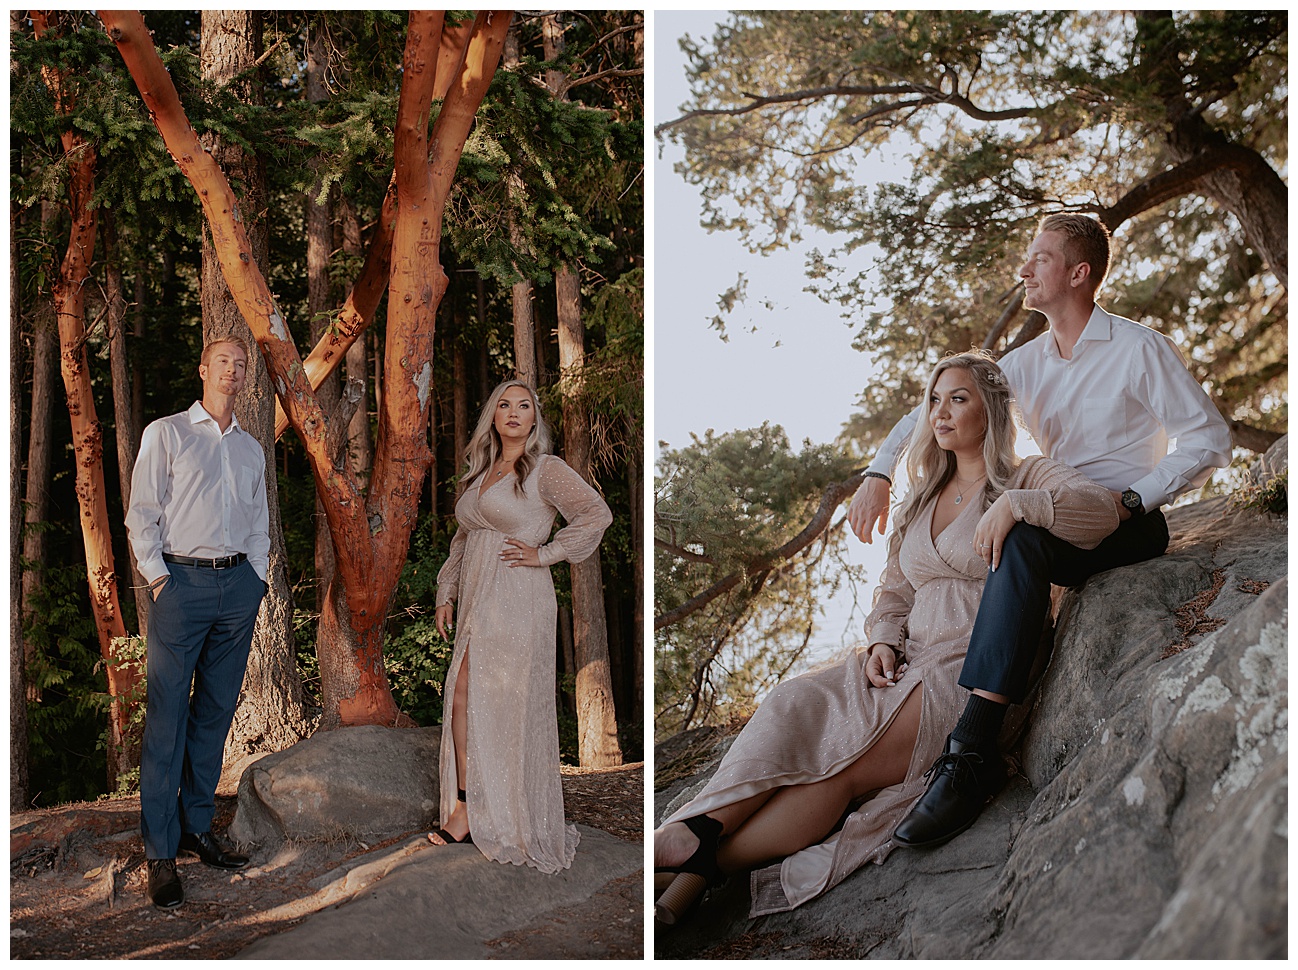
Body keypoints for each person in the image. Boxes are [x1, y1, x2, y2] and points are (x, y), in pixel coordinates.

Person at [654, 351, 1119, 922]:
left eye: (958, 399)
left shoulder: (1029, 475)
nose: (940, 412)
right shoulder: (922, 496)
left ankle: (702, 858)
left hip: (969, 669)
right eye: (934, 400)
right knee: (793, 701)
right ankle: (695, 835)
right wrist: (881, 641)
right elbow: (895, 589)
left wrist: (1019, 506)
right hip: (907, 658)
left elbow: (1100, 511)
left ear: (993, 410)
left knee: (843, 765)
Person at [847, 214, 1233, 849]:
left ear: (1078, 274)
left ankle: (971, 750)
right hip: (1053, 512)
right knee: (1011, 531)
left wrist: (1134, 499)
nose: (1024, 270)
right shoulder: (1022, 364)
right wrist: (879, 472)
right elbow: (938, 404)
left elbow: (1207, 437)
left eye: (1040, 259)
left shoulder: (1139, 349)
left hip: (1125, 523)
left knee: (1020, 536)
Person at [429, 379, 612, 873]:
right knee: (464, 693)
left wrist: (547, 553)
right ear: (493, 416)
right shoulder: (481, 472)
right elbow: (463, 540)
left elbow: (596, 514)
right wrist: (446, 592)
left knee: (503, 700)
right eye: (504, 405)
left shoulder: (546, 469)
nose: (513, 412)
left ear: (534, 418)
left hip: (518, 595)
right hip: (477, 597)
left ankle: (504, 814)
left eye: (523, 405)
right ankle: (467, 804)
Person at [125, 336, 269, 910]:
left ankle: (196, 826)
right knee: (167, 718)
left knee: (214, 711)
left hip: (237, 588)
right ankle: (160, 852)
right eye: (223, 362)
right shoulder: (167, 434)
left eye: (241, 364)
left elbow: (259, 520)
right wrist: (160, 579)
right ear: (203, 369)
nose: (233, 370)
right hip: (180, 585)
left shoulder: (251, 449)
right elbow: (141, 514)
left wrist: (257, 578)